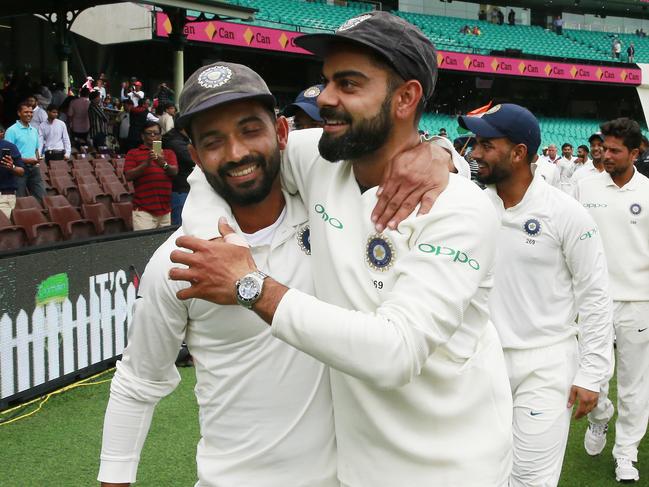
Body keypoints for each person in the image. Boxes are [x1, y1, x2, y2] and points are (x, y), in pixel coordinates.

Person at [172, 12, 513, 486]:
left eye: (349, 84)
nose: (325, 98)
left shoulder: (460, 210)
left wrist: (250, 286)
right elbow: (219, 166)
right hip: (354, 468)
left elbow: (396, 352)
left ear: (406, 97)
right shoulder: (321, 158)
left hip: (450, 467)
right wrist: (215, 238)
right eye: (327, 80)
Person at [98, 64, 338, 487]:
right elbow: (137, 382)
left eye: (250, 130)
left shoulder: (331, 217)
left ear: (282, 132)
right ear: (195, 154)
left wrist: (442, 153)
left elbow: (394, 156)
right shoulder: (178, 260)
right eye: (213, 141)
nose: (235, 153)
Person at [459, 103, 613, 487]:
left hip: (545, 365)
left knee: (530, 480)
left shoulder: (566, 213)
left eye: (486, 144)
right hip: (481, 362)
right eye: (475, 143)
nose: (475, 153)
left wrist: (592, 372)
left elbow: (594, 294)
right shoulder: (472, 208)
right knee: (479, 474)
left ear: (519, 152)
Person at [576, 118, 649, 484]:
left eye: (614, 150)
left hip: (638, 301)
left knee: (635, 383)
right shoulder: (584, 186)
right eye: (603, 148)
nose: (604, 155)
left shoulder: (648, 192)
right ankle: (600, 416)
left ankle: (627, 454)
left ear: (636, 152)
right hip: (592, 300)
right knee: (594, 377)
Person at [124, 121, 178, 230]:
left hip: (165, 210)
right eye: (149, 133)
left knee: (163, 245)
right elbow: (128, 176)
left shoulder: (168, 153)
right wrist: (146, 163)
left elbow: (174, 172)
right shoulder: (133, 153)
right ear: (142, 136)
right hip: (143, 211)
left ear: (160, 136)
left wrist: (162, 163)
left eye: (156, 133)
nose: (153, 136)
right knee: (145, 245)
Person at [4, 101, 45, 202]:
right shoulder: (11, 130)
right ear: (19, 113)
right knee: (20, 200)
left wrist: (37, 159)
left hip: (34, 169)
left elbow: (36, 149)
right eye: (26, 112)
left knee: (42, 197)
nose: (29, 114)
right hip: (18, 170)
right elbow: (7, 155)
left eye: (31, 112)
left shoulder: (34, 130)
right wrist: (27, 160)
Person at [162, 126, 194, 225]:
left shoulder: (181, 139)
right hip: (179, 188)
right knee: (180, 224)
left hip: (183, 186)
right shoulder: (175, 142)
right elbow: (192, 158)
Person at [0, 137, 25, 218]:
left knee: (4, 228)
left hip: (4, 197)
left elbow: (21, 171)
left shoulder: (9, 146)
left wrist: (12, 167)